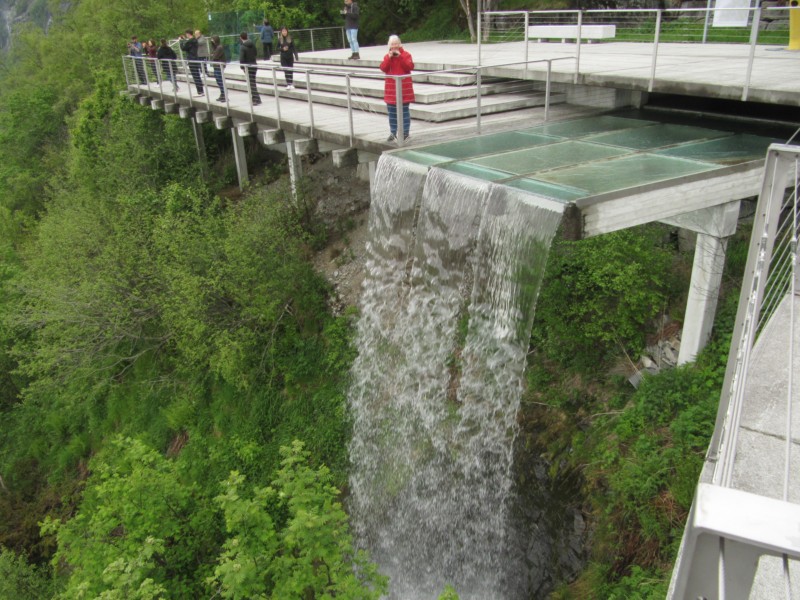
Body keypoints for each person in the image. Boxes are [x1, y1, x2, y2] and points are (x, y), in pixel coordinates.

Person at [379, 35, 415, 142]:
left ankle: (405, 133)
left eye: (396, 43)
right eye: (392, 44)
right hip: (391, 90)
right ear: (389, 45)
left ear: (400, 44)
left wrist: (400, 56)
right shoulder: (387, 56)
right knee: (392, 113)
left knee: (404, 111)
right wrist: (389, 58)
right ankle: (393, 132)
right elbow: (383, 68)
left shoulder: (406, 55)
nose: (394, 46)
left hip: (404, 89)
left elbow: (409, 66)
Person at [239, 31, 261, 105]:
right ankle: (257, 98)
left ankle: (255, 99)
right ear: (247, 36)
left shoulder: (242, 47)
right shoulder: (252, 44)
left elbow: (241, 59)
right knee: (253, 82)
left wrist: (242, 67)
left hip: (247, 67)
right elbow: (255, 53)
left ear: (241, 38)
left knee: (251, 83)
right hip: (254, 65)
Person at [180, 29, 204, 96]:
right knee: (197, 75)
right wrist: (185, 40)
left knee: (195, 76)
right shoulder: (195, 40)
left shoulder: (190, 41)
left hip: (191, 59)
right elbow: (188, 45)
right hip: (196, 58)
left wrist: (181, 41)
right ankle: (201, 91)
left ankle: (200, 92)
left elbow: (183, 48)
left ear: (188, 34)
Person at [210, 36, 227, 102]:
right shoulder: (216, 47)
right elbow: (212, 55)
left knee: (220, 80)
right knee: (218, 80)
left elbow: (214, 57)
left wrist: (213, 55)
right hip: (216, 66)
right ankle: (222, 94)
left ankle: (224, 94)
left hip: (219, 66)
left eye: (213, 40)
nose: (212, 42)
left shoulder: (219, 47)